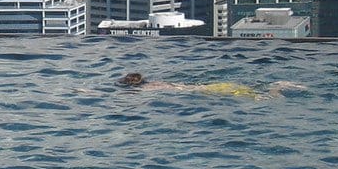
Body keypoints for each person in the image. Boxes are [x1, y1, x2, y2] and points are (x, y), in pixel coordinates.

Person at [116, 72, 303, 99]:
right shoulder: (154, 82)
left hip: (210, 90)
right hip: (214, 85)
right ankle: (277, 85)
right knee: (257, 94)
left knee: (265, 99)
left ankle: (278, 86)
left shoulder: (147, 89)